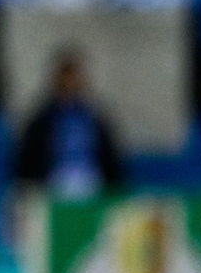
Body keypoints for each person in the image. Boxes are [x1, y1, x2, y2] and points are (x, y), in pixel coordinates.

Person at [12, 49, 124, 201]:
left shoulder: (95, 120)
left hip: (91, 184)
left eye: (74, 78)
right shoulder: (41, 121)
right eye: (66, 78)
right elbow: (27, 161)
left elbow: (111, 161)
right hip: (54, 185)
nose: (71, 83)